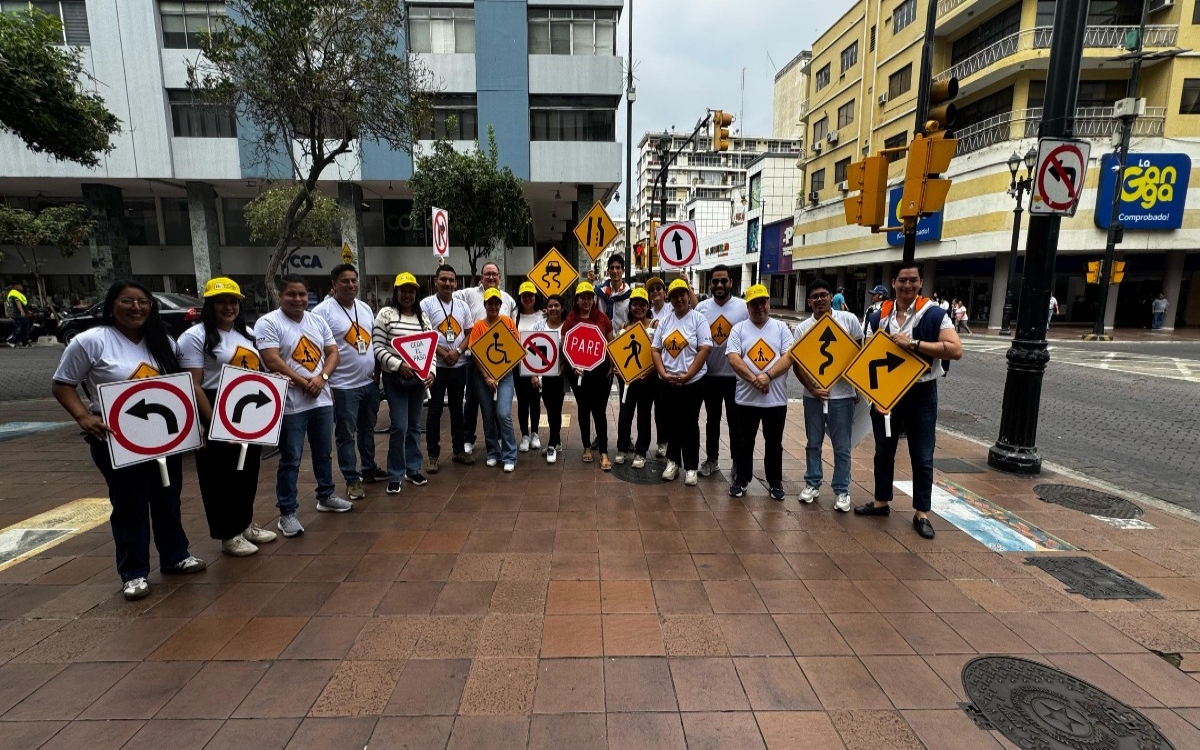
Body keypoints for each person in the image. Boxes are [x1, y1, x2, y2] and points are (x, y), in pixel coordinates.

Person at [51, 280, 208, 600]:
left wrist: (192, 425)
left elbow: (177, 388)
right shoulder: (90, 341)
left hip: (164, 436)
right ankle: (134, 572)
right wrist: (83, 417)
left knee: (168, 499)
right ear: (112, 305)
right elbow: (63, 384)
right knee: (130, 505)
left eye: (143, 302)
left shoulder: (163, 341)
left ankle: (175, 555)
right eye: (127, 301)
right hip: (117, 439)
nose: (136, 307)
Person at [856, 262, 963, 539]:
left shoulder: (934, 314)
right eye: (902, 280)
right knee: (883, 450)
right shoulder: (878, 316)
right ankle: (881, 501)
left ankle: (921, 513)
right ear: (893, 282)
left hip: (921, 393)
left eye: (913, 280)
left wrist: (913, 344)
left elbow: (955, 349)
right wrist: (876, 397)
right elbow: (868, 357)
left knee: (922, 454)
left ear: (920, 283)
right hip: (887, 393)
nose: (907, 285)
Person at [178, 278, 278, 557]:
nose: (228, 307)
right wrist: (216, 424)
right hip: (213, 406)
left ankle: (244, 524)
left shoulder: (246, 333)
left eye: (233, 302)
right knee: (219, 475)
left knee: (247, 470)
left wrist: (272, 380)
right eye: (221, 302)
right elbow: (193, 384)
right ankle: (228, 533)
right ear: (209, 305)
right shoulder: (194, 337)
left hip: (246, 407)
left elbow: (256, 371)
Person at [255, 275, 351, 539]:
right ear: (280, 296)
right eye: (291, 294)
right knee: (291, 459)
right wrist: (304, 382)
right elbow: (272, 360)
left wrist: (322, 378)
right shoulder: (269, 323)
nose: (298, 299)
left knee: (323, 453)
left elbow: (333, 353)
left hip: (321, 400)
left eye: (302, 294)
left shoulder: (317, 321)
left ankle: (326, 495)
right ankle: (287, 512)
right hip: (290, 404)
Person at [313, 264, 385, 501]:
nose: (351, 285)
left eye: (354, 280)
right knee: (346, 435)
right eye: (345, 281)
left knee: (367, 429)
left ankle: (369, 468)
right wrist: (327, 382)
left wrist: (377, 375)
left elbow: (373, 341)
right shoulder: (322, 312)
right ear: (334, 284)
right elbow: (318, 351)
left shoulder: (364, 308)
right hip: (342, 386)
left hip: (369, 383)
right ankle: (352, 479)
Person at [792, 279, 864, 512]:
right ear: (809, 301)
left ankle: (842, 490)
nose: (820, 299)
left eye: (824, 294)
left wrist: (855, 387)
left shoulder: (849, 320)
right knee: (813, 443)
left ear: (831, 297)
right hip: (813, 396)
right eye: (815, 296)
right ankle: (812, 483)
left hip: (842, 396)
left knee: (842, 446)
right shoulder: (803, 328)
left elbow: (858, 355)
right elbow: (797, 366)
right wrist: (813, 389)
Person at [726, 284, 794, 501]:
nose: (759, 307)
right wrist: (755, 379)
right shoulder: (739, 329)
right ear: (748, 306)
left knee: (774, 443)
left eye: (762, 302)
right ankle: (742, 479)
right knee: (744, 442)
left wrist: (768, 376)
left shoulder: (781, 329)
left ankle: (775, 482)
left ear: (768, 303)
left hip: (775, 400)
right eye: (754, 304)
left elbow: (789, 356)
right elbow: (733, 358)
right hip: (746, 400)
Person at [372, 272, 436, 494]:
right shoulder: (385, 315)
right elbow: (377, 347)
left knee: (414, 426)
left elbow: (430, 348)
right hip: (395, 379)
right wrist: (398, 365)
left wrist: (432, 372)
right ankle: (395, 474)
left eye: (411, 291)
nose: (407, 295)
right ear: (396, 292)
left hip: (418, 379)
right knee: (400, 426)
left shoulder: (423, 317)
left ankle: (413, 468)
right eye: (403, 290)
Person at [651, 278, 711, 485]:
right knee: (671, 422)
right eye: (674, 295)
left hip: (693, 382)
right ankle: (673, 461)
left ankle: (691, 466)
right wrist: (663, 373)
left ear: (688, 295)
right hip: (667, 382)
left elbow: (704, 349)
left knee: (689, 423)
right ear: (670, 298)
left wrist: (688, 376)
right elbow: (655, 349)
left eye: (682, 294)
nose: (679, 299)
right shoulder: (666, 321)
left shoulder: (698, 319)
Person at [455, 262, 516, 457]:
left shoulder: (508, 301)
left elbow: (515, 346)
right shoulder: (468, 294)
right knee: (475, 404)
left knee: (501, 411)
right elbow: (450, 301)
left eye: (494, 274)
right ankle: (473, 441)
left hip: (503, 368)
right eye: (487, 274)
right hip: (476, 364)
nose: (491, 277)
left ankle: (503, 445)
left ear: (499, 277)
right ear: (481, 277)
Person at [695, 265, 748, 478]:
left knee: (736, 422)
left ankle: (736, 462)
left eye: (723, 281)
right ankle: (712, 459)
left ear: (731, 283)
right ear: (710, 284)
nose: (719, 285)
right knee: (712, 420)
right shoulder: (701, 308)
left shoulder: (743, 307)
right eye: (715, 281)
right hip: (710, 376)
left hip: (736, 377)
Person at [420, 264, 473, 472]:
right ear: (436, 281)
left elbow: (469, 333)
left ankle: (459, 450)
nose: (447, 283)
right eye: (443, 279)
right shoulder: (426, 304)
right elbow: (425, 335)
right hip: (437, 368)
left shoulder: (462, 306)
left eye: (451, 280)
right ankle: (433, 455)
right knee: (434, 411)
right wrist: (444, 353)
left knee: (457, 410)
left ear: (456, 283)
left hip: (459, 366)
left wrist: (457, 352)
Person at [564, 281, 615, 471]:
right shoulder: (571, 319)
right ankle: (586, 446)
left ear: (593, 300)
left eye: (589, 298)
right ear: (577, 300)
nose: (586, 301)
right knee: (584, 409)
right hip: (578, 373)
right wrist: (573, 366)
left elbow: (611, 343)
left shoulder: (602, 318)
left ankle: (604, 452)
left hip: (600, 372)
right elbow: (564, 346)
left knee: (599, 411)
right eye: (582, 298)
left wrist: (612, 365)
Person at [614, 287, 656, 467]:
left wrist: (650, 371)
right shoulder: (624, 326)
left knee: (644, 416)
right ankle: (622, 448)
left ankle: (641, 452)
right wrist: (617, 368)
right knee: (624, 415)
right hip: (627, 381)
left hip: (648, 381)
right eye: (635, 304)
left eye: (642, 304)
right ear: (630, 307)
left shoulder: (655, 325)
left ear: (647, 306)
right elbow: (617, 351)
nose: (638, 308)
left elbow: (659, 353)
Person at [532, 294, 566, 464]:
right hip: (543, 375)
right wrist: (533, 374)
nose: (553, 308)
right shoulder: (539, 325)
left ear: (562, 308)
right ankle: (557, 441)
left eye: (556, 305)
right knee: (549, 407)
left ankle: (552, 444)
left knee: (555, 410)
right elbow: (531, 350)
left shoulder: (567, 327)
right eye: (550, 305)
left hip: (559, 375)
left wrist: (563, 369)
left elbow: (570, 353)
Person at [513, 281, 543, 453]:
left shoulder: (542, 316)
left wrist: (537, 373)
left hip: (537, 364)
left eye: (530, 295)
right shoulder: (515, 316)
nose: (527, 299)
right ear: (520, 298)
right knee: (522, 401)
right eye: (524, 296)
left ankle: (535, 434)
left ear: (535, 297)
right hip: (519, 366)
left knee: (535, 400)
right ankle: (524, 435)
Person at [644, 275, 670, 458]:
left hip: (666, 365)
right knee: (649, 407)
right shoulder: (648, 312)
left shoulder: (671, 308)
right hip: (647, 366)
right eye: (652, 290)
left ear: (664, 292)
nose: (655, 292)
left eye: (658, 288)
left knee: (662, 408)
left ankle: (664, 441)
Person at [592, 254, 632, 330]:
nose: (615, 271)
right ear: (608, 271)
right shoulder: (599, 293)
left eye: (618, 268)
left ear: (623, 271)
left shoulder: (629, 296)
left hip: (622, 336)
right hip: (602, 335)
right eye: (612, 268)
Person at [6, 280, 30, 348]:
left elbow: (22, 303)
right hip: (18, 314)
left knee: (24, 329)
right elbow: (18, 302)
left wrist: (26, 311)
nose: (21, 287)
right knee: (20, 328)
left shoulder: (16, 293)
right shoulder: (15, 293)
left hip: (20, 314)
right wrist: (22, 311)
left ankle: (25, 343)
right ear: (16, 286)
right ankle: (12, 341)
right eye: (20, 286)